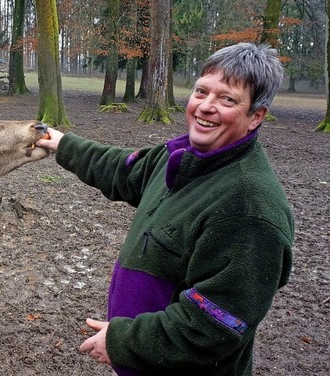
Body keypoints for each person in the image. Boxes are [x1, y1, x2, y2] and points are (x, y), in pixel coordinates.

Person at [36, 43, 294, 375]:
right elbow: (123, 169)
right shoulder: (183, 159)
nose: (206, 107)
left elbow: (211, 326)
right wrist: (62, 143)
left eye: (227, 99)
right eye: (201, 92)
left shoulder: (249, 209)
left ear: (256, 116)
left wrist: (122, 342)